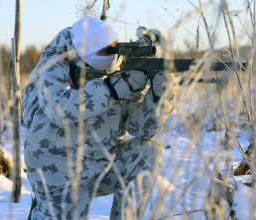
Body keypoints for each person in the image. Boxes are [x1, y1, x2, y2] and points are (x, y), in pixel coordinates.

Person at [22, 16, 175, 219]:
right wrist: (116, 87)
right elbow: (61, 109)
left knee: (147, 152)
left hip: (101, 164)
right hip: (58, 171)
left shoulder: (118, 68)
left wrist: (159, 97)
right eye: (107, 49)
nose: (113, 53)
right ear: (88, 49)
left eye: (115, 47)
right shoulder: (55, 64)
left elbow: (142, 129)